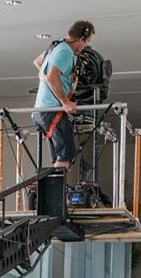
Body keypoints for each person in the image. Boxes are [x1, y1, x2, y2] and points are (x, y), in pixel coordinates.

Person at [31, 20, 95, 170]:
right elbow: (51, 77)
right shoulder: (66, 52)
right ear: (82, 39)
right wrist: (65, 102)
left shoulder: (55, 46)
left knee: (60, 155)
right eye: (87, 42)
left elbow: (38, 62)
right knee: (66, 154)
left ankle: (54, 189)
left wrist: (58, 80)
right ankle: (58, 192)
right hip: (52, 110)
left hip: (41, 111)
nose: (85, 46)